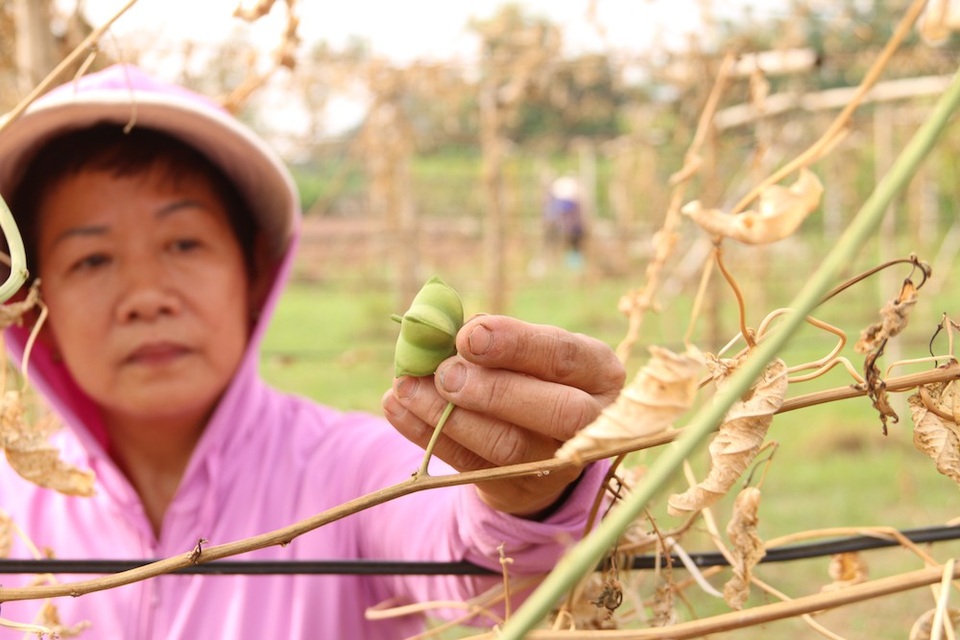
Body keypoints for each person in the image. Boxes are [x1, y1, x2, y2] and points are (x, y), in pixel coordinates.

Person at [0, 64, 625, 639]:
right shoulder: (11, 514)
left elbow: (471, 559)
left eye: (184, 244)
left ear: (252, 276)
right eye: (92, 258)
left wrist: (530, 495)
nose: (146, 297)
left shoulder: (348, 471)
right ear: (34, 308)